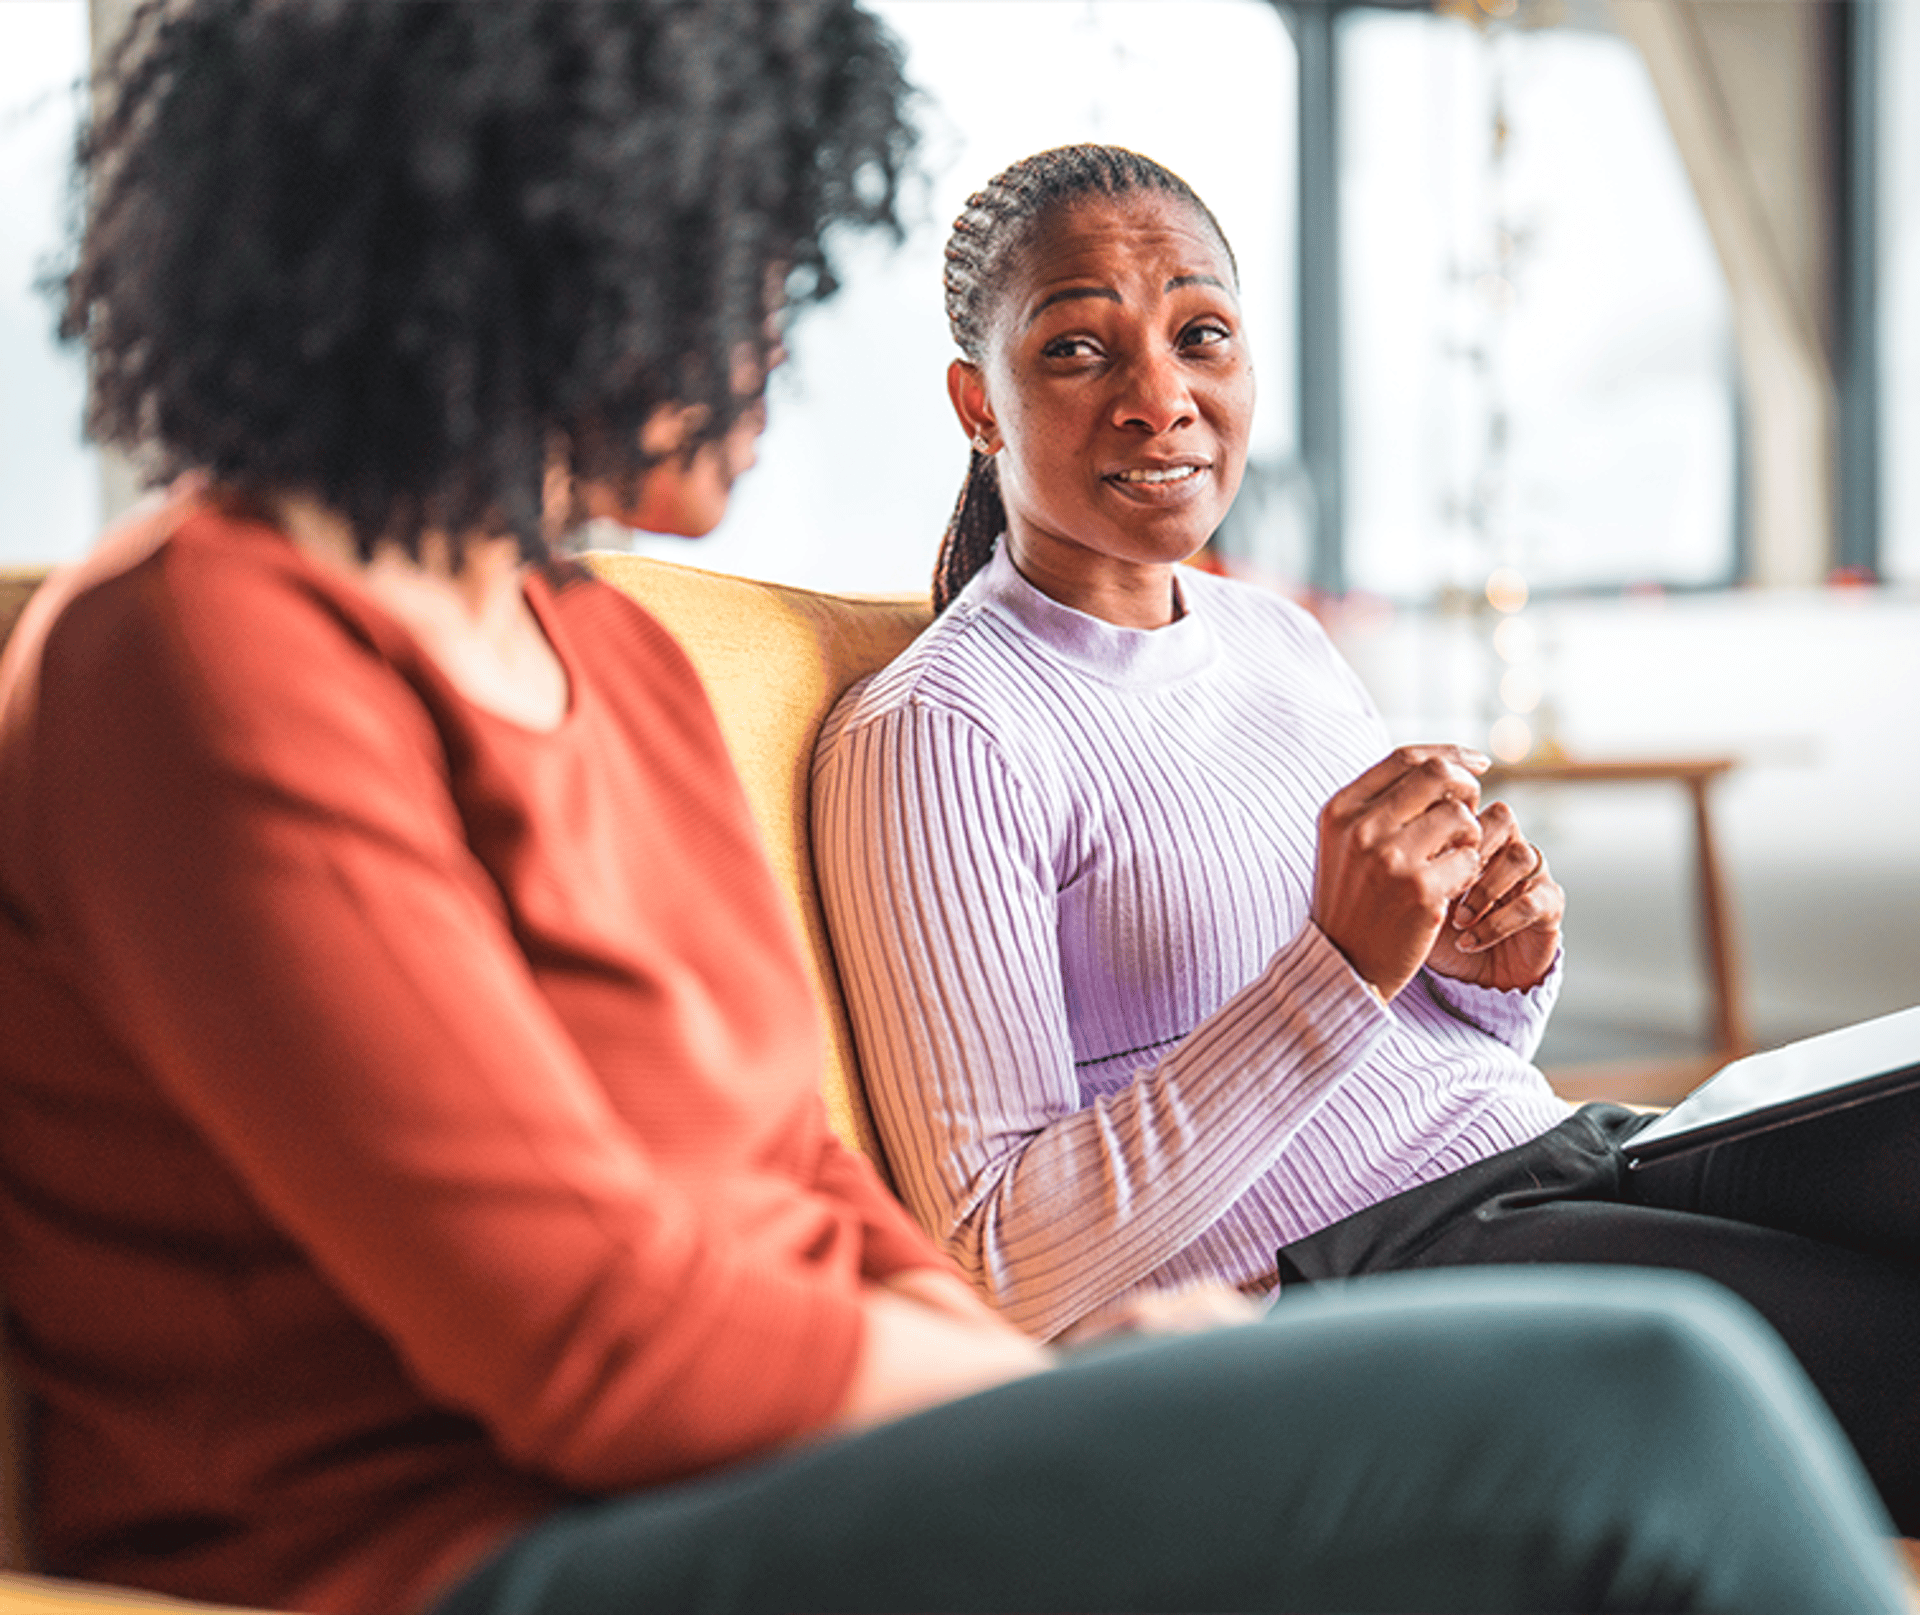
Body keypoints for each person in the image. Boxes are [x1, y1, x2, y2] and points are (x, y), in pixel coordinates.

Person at [0, 13, 1908, 1614]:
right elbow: (590, 1345)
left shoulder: (609, 665)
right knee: (1662, 1398)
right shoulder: (197, 652)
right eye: (732, 250)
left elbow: (801, 1192)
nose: (773, 321)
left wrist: (1040, 1369)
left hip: (763, 1450)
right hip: (470, 1540)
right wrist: (1026, 1387)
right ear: (519, 249)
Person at [812, 141, 1920, 1535]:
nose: (1162, 398)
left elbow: (1427, 1044)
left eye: (1200, 333)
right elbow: (996, 1268)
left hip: (1561, 1154)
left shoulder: (1273, 635)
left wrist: (1490, 963)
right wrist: (1337, 964)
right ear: (980, 400)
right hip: (1361, 1276)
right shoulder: (941, 730)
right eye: (1080, 350)